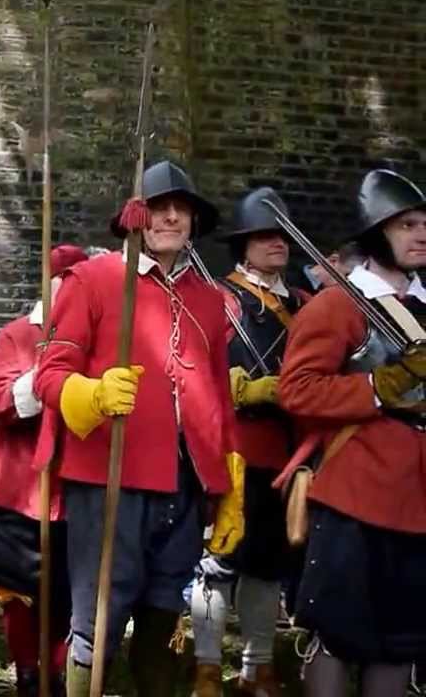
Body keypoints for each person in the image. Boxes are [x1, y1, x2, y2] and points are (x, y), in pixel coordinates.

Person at [33, 161, 243, 696]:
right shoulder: (93, 280)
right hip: (108, 481)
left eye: (182, 208)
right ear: (135, 216)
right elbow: (50, 375)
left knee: (165, 612)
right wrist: (93, 394)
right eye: (158, 206)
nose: (171, 217)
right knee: (98, 620)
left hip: (184, 482)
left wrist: (229, 478)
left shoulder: (209, 298)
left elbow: (218, 393)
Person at [278, 168, 426, 696]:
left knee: (401, 643)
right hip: (356, 493)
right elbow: (296, 390)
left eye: (425, 223)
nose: (421, 234)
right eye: (406, 224)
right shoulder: (338, 305)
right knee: (339, 636)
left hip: (418, 500)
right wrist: (378, 388)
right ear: (374, 233)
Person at [190, 187, 308, 697]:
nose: (276, 243)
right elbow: (197, 368)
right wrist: (244, 386)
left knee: (268, 564)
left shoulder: (304, 303)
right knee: (219, 562)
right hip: (234, 447)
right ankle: (207, 666)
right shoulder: (220, 298)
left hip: (287, 452)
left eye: (282, 235)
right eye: (264, 235)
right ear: (244, 245)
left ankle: (257, 666)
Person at [0, 244, 88, 697]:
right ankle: (27, 672)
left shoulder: (95, 338)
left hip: (78, 489)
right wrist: (48, 374)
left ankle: (58, 676)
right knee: (19, 593)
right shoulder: (17, 335)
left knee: (68, 594)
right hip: (20, 488)